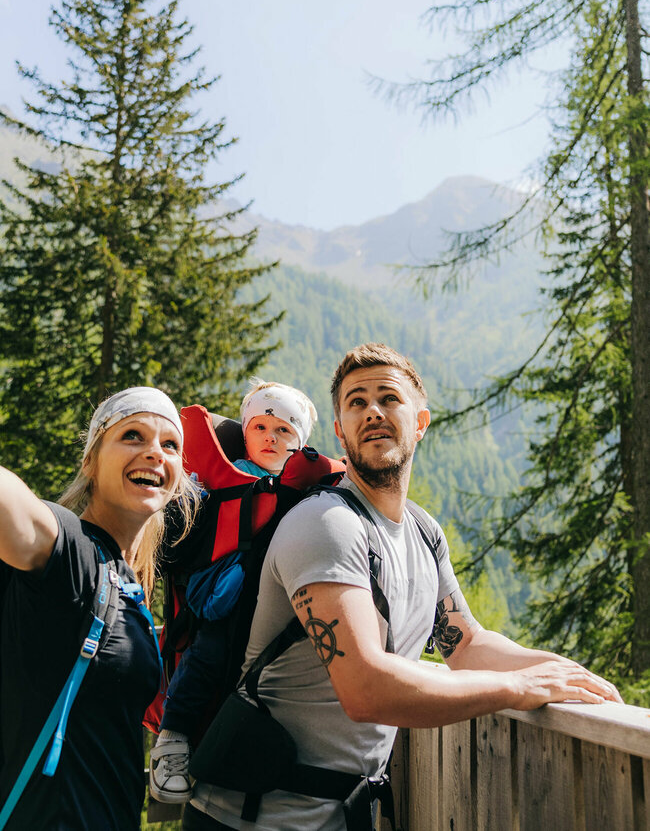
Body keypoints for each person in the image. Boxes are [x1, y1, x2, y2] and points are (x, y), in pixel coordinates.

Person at [184, 343, 622, 831]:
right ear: (339, 432)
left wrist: (562, 672)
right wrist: (517, 687)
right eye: (355, 402)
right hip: (251, 818)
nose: (371, 411)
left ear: (420, 421)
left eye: (388, 398)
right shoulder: (326, 524)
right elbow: (366, 688)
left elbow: (467, 643)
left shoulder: (423, 532)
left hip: (340, 816)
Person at [0, 386, 200, 830]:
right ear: (90, 460)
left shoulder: (127, 583)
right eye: (133, 435)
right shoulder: (71, 553)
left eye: (170, 445)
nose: (154, 452)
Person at [150, 381, 318, 804]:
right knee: (207, 657)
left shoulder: (307, 491)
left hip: (278, 605)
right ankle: (172, 739)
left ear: (299, 444)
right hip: (222, 604)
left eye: (283, 431)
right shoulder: (220, 478)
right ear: (245, 431)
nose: (270, 437)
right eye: (260, 426)